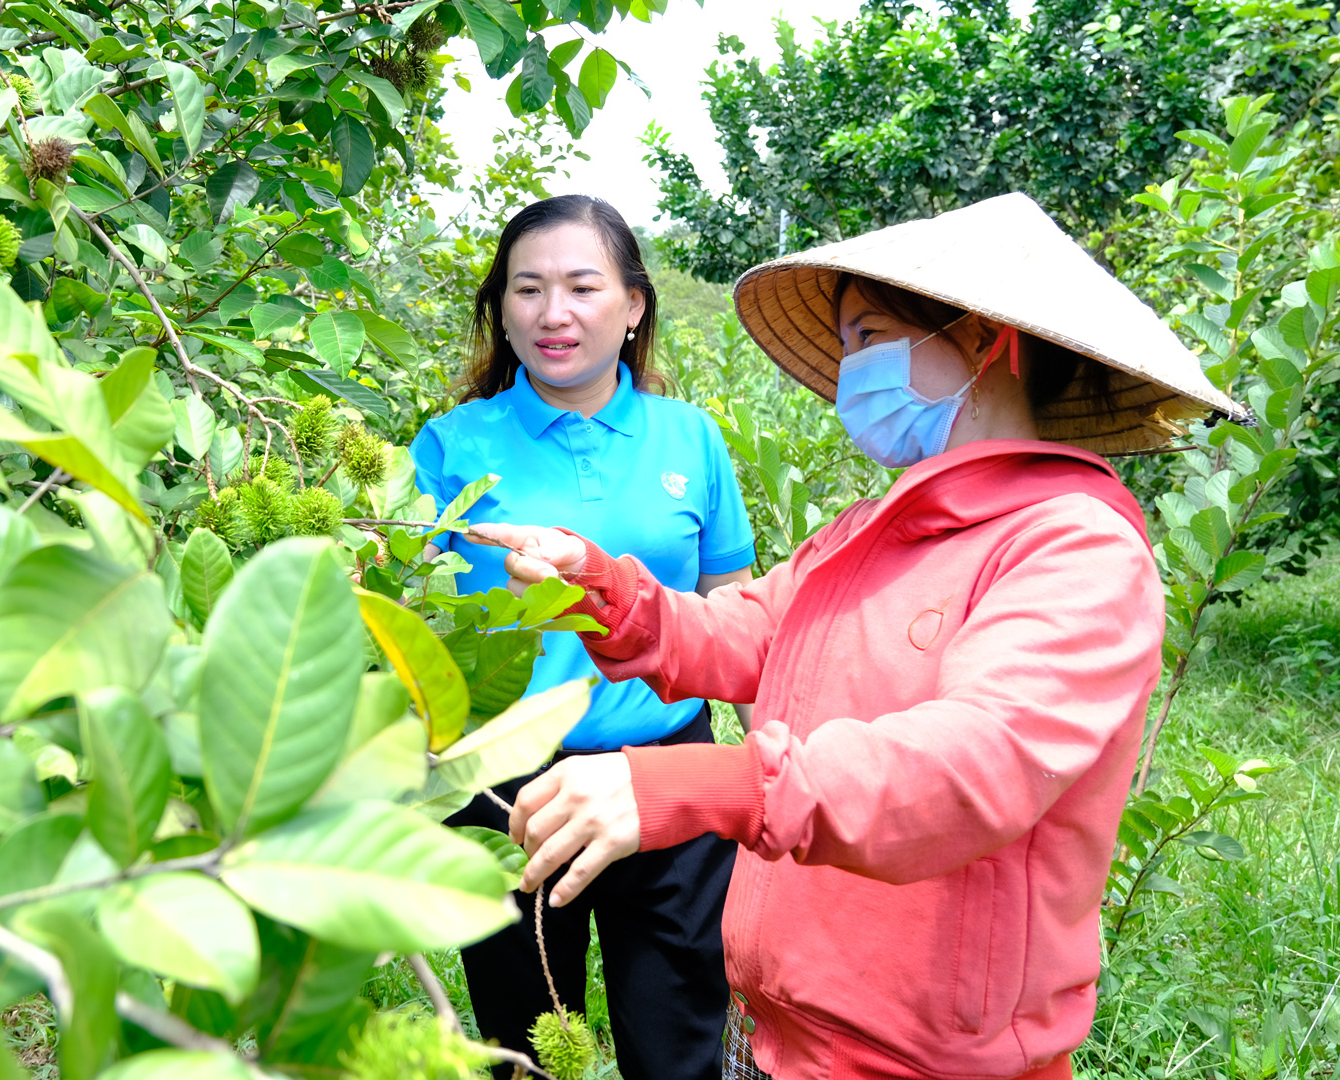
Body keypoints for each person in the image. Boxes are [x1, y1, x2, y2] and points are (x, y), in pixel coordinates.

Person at [468, 192, 1248, 1080]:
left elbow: (971, 765)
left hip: (926, 1059)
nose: (848, 374)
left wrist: (711, 784)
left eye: (869, 338)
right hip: (784, 1037)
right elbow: (741, 632)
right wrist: (597, 585)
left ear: (991, 341)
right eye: (844, 346)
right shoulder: (869, 532)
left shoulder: (1072, 546)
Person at [410, 194, 757, 1080]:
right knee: (524, 1049)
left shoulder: (693, 438)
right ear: (501, 307)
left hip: (670, 778)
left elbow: (737, 608)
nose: (552, 313)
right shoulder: (452, 445)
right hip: (505, 788)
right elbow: (407, 617)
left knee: (677, 1042)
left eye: (580, 286)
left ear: (633, 304)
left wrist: (766, 782)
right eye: (527, 289)